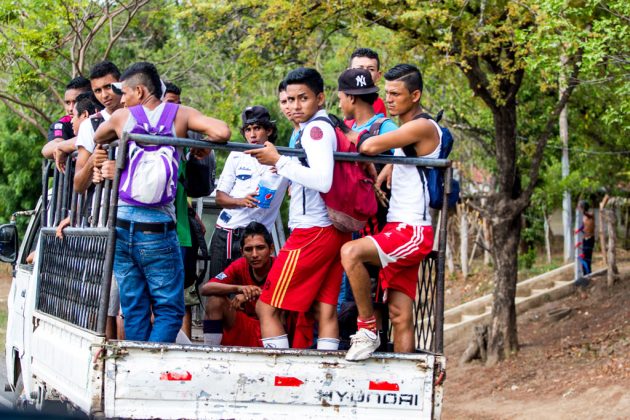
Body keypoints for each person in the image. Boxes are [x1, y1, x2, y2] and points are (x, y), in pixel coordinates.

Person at [93, 61, 231, 343]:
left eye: (125, 92)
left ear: (140, 90)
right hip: (158, 227)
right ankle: (151, 363)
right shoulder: (179, 115)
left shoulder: (123, 117)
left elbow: (98, 136)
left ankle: (136, 363)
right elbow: (222, 132)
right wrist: (200, 145)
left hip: (121, 223)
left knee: (134, 308)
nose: (122, 98)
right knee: (169, 307)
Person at [247, 67, 351, 350]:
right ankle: (324, 379)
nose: (294, 106)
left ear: (320, 98)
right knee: (325, 310)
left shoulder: (315, 130)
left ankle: (279, 374)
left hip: (312, 231)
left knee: (266, 307)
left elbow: (322, 180)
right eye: (289, 100)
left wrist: (278, 161)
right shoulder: (321, 126)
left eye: (302, 98)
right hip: (332, 230)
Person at [341, 64, 440, 361]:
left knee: (350, 252)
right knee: (400, 315)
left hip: (411, 230)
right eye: (387, 93)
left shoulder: (422, 126)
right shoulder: (406, 134)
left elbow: (370, 145)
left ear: (416, 95)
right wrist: (389, 169)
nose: (390, 99)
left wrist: (344, 130)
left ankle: (367, 328)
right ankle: (406, 384)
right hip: (397, 227)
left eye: (396, 94)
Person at [204, 105, 288, 344]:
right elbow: (220, 197)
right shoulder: (237, 154)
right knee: (218, 295)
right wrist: (240, 200)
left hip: (258, 239)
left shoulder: (283, 159)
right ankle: (212, 350)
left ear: (269, 131)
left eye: (258, 128)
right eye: (248, 129)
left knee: (269, 297)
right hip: (228, 233)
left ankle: (265, 345)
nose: (252, 134)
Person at [336, 68, 398, 346]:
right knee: (349, 292)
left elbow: (404, 153)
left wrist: (390, 168)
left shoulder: (384, 127)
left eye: (340, 96)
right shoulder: (341, 131)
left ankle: (378, 342)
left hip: (375, 220)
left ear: (350, 98)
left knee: (373, 288)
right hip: (347, 222)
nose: (339, 103)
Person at [201, 222, 275, 347]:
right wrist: (240, 289)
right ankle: (210, 352)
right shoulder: (240, 265)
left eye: (260, 248)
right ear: (242, 251)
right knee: (215, 301)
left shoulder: (280, 266)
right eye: (248, 249)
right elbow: (206, 288)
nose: (255, 254)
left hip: (274, 329)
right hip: (244, 326)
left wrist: (253, 294)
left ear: (271, 249)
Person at [41, 76, 91, 159]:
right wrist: (62, 147)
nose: (70, 108)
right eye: (67, 103)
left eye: (75, 102)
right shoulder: (63, 123)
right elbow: (47, 150)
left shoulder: (101, 115)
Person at [344, 48, 387, 128]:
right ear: (348, 73)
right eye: (359, 68)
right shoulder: (346, 100)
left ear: (378, 75)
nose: (364, 74)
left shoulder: (376, 104)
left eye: (370, 69)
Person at [277, 80, 301, 148]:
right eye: (283, 102)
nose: (288, 106)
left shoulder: (310, 130)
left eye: (291, 100)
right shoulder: (294, 133)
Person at [578, 201, 595, 275]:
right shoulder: (584, 217)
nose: (579, 209)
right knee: (583, 257)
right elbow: (583, 227)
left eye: (580, 207)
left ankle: (588, 274)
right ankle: (585, 274)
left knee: (587, 258)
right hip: (585, 239)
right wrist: (577, 230)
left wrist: (583, 211)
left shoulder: (591, 215)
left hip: (590, 238)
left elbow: (588, 215)